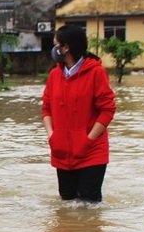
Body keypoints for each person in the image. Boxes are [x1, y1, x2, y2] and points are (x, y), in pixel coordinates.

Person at [41, 25, 116, 203]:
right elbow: (46, 108)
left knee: (89, 207)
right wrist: (53, 137)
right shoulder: (54, 75)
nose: (53, 49)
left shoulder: (96, 73)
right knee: (67, 206)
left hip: (91, 152)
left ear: (65, 48)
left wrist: (88, 140)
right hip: (62, 152)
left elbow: (107, 110)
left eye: (55, 44)